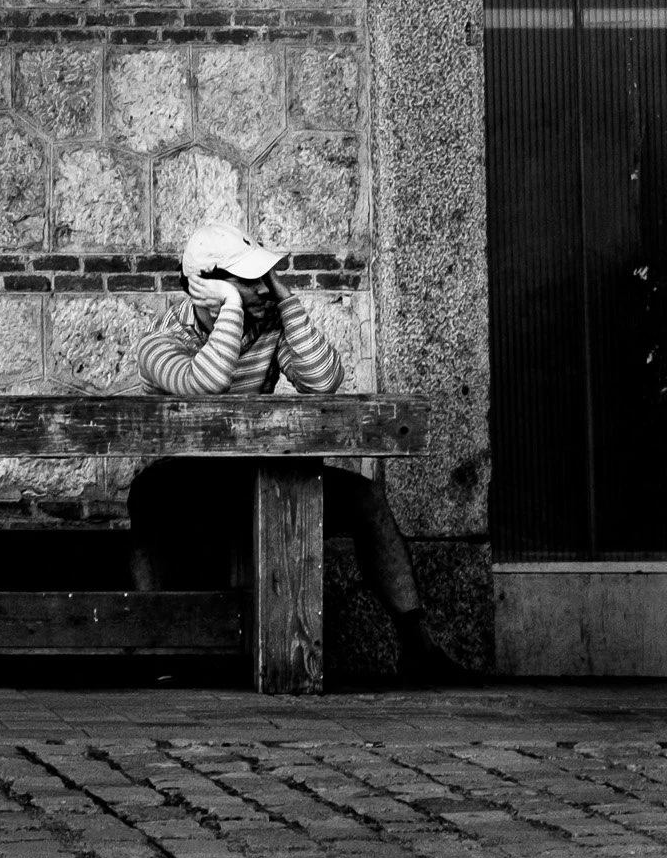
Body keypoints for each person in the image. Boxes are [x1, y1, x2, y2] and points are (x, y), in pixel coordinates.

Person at [132, 221, 467, 680]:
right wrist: (231, 306)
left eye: (263, 278)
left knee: (365, 498)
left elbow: (322, 381)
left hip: (249, 472)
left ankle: (418, 645)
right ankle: (163, 655)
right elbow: (205, 385)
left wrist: (288, 302)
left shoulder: (271, 323)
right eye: (250, 280)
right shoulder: (162, 340)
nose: (264, 289)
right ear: (204, 286)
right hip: (188, 479)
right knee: (150, 495)